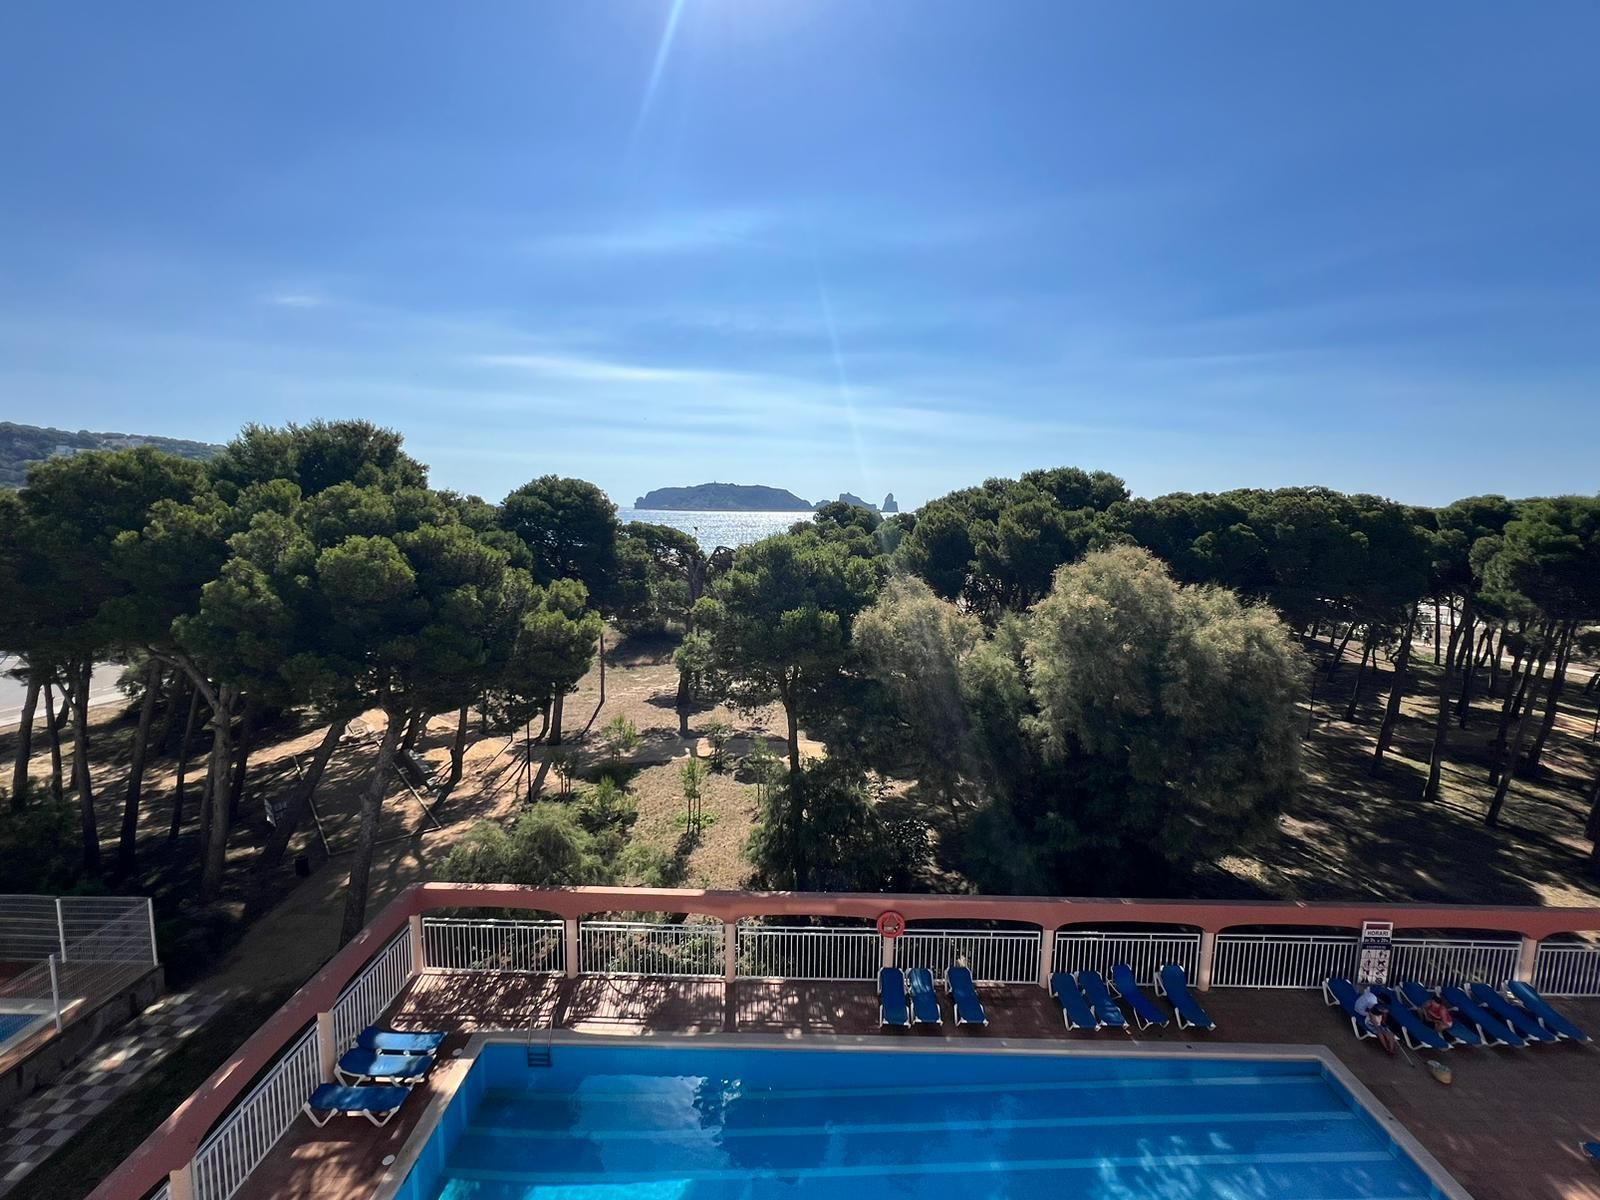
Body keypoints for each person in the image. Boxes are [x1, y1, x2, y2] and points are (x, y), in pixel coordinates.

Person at [1353, 986, 1398, 1055]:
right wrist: (1383, 1028)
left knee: (1389, 1033)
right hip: (1364, 1014)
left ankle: (1391, 1048)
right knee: (1381, 1032)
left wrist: (1384, 1024)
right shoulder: (1372, 1010)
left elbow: (1382, 1019)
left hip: (1366, 1009)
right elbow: (1377, 1026)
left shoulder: (1375, 1001)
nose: (1386, 1008)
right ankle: (1387, 1049)